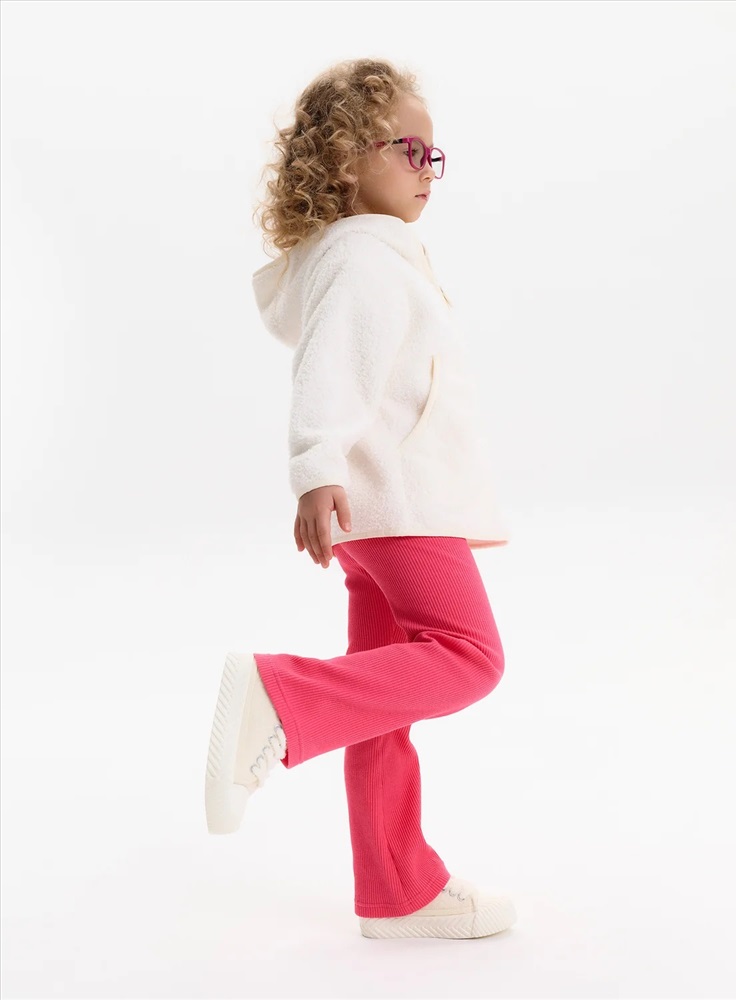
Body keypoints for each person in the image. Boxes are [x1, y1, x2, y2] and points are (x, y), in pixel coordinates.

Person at [204, 57, 516, 941]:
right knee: (470, 656)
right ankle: (281, 696)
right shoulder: (366, 256)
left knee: (386, 699)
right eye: (408, 149)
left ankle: (395, 889)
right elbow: (331, 364)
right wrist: (315, 465)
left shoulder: (368, 254)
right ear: (346, 160)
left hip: (381, 509)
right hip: (403, 504)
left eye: (434, 154)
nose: (428, 169)